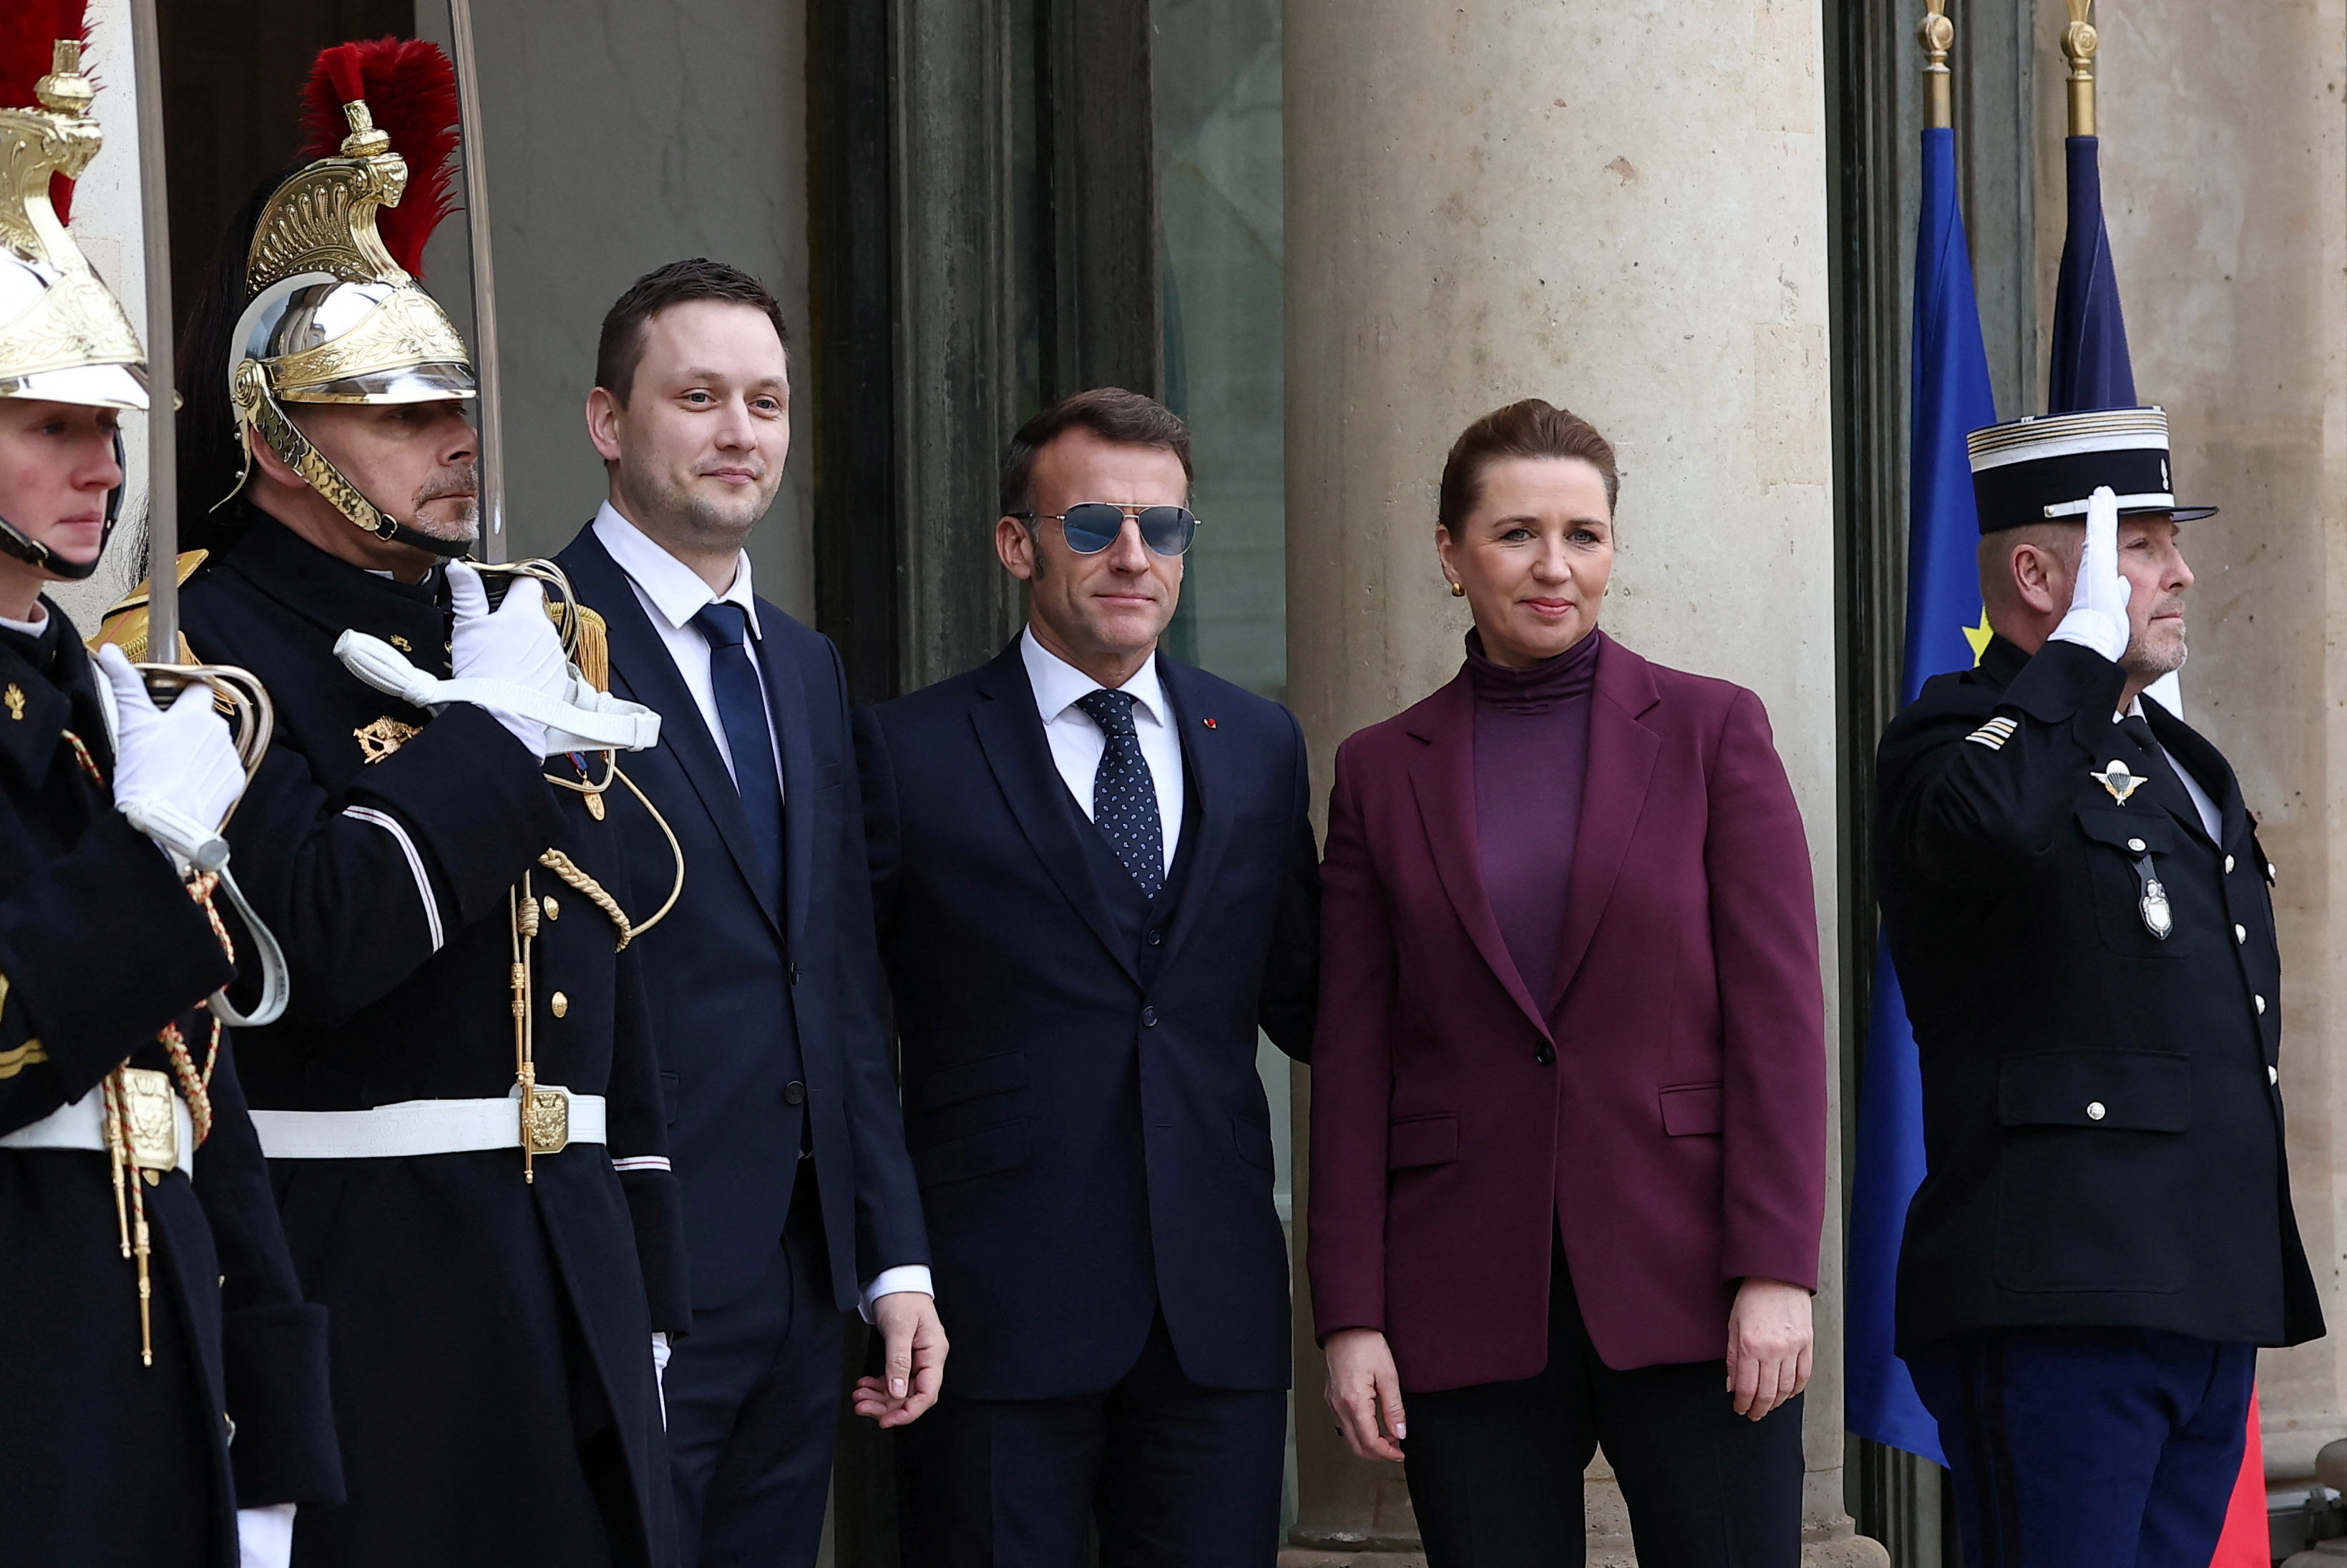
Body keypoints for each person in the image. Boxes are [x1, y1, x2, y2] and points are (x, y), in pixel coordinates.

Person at [99, 41, 689, 1568]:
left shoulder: (507, 629)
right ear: (282, 439)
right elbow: (315, 935)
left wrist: (653, 1281)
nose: (456, 438)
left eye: (453, 401)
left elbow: (609, 973)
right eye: (398, 411)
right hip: (372, 1283)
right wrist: (495, 740)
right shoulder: (196, 649)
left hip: (564, 1273)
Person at [1308, 400, 1826, 1567]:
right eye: (1516, 534)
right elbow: (1349, 1065)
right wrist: (1350, 1315)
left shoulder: (1713, 732)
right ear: (1450, 553)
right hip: (1462, 1290)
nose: (1556, 568)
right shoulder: (1380, 773)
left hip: (1697, 1286)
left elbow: (1781, 1027)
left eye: (1585, 535)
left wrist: (1778, 1271)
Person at [854, 387, 1319, 1567]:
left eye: (1162, 530)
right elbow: (848, 1037)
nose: (1131, 556)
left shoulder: (1258, 746)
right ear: (1019, 544)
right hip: (991, 1310)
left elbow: (1317, 1002)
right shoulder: (905, 752)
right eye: (1090, 526)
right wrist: (887, 1264)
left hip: (1213, 1315)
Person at [0, 29, 341, 1567]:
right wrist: (146, 856)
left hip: (152, 1355)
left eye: (110, 427)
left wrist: (272, 1427)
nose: (101, 465)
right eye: (53, 425)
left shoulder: (85, 691)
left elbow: (199, 1089)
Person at [1875, 406, 2323, 1564]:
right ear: (2038, 573)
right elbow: (1978, 829)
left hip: (2197, 1293)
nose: (2180, 573)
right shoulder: (1956, 739)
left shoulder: (2172, 761)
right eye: (2143, 544)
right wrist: (2074, 662)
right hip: (2057, 1300)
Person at [554, 259, 940, 1567]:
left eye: (766, 403)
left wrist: (891, 1261)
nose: (740, 433)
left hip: (800, 1279)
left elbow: (833, 979)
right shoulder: (524, 642)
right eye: (700, 396)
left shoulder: (804, 662)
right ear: (610, 423)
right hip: (624, 1268)